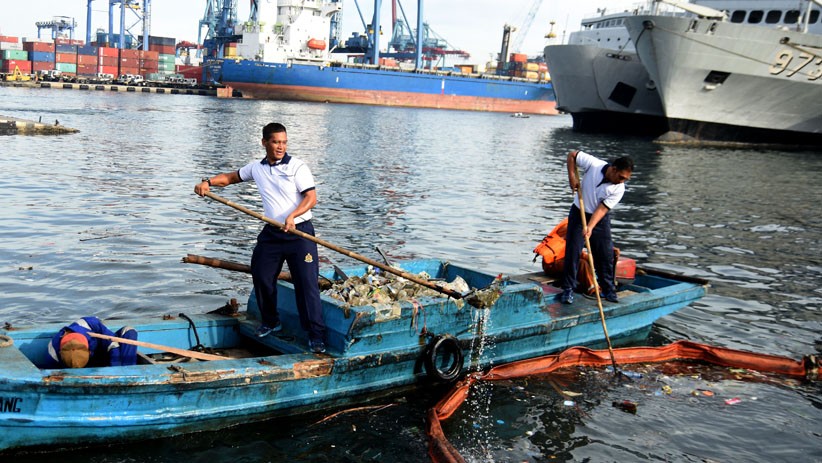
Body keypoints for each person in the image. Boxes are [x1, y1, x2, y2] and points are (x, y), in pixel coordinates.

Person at [195, 122, 327, 354]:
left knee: (306, 284)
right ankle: (271, 321)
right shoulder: (257, 168)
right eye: (276, 142)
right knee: (261, 274)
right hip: (273, 232)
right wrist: (207, 183)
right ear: (264, 142)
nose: (281, 147)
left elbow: (311, 198)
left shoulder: (297, 167)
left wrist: (293, 216)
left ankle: (316, 335)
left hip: (300, 233)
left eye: (284, 142)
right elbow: (231, 178)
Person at [560, 150, 634, 305]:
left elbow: (601, 209)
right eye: (621, 177)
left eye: (626, 179)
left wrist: (590, 227)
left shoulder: (619, 188)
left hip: (599, 219)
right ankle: (568, 289)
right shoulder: (594, 164)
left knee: (605, 254)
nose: (622, 181)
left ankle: (608, 290)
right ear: (613, 169)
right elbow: (572, 155)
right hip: (579, 213)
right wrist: (572, 177)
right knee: (573, 252)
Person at [44, 316, 138, 368]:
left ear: (89, 351)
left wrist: (115, 370)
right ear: (60, 353)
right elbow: (51, 372)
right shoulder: (52, 352)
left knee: (129, 331)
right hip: (78, 369)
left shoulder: (90, 324)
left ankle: (129, 372)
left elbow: (113, 345)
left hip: (101, 356)